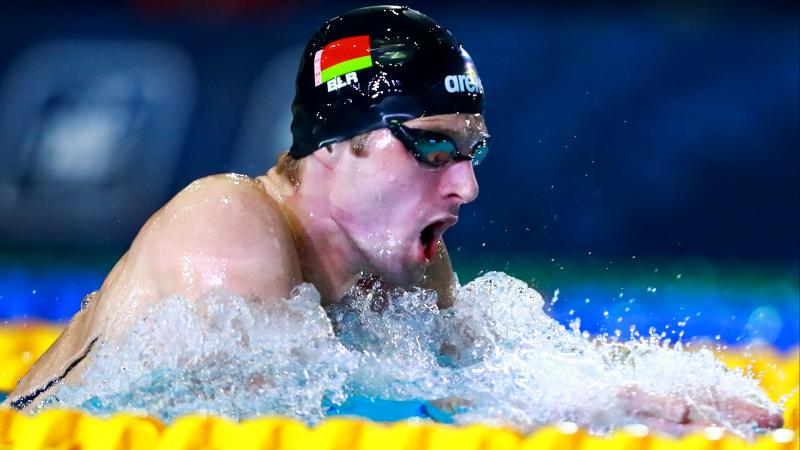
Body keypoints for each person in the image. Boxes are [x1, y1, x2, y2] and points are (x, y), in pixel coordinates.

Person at [2, 5, 783, 431]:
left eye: (472, 150)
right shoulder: (227, 226)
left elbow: (494, 373)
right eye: (434, 148)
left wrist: (643, 389)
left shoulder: (403, 264)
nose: (466, 188)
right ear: (340, 144)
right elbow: (257, 419)